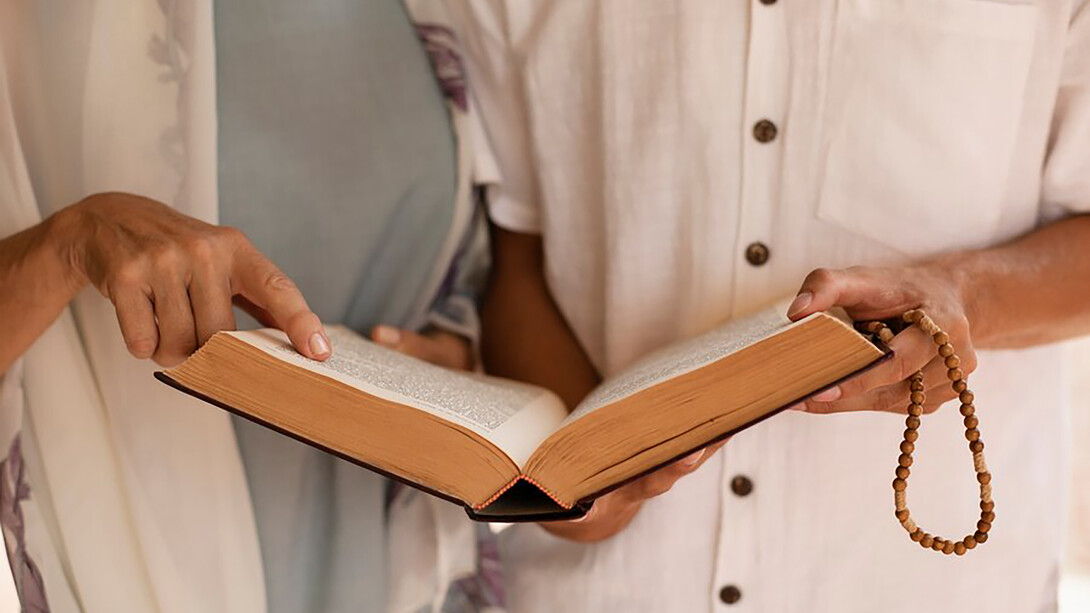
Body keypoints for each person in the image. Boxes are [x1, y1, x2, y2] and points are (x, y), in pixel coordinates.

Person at [435, 0, 1090, 611]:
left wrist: (967, 293)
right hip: (608, 588)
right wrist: (576, 487)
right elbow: (516, 252)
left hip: (923, 583)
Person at [0, 1, 492, 612]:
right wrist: (69, 244)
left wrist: (449, 361)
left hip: (407, 573)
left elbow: (466, 281)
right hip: (130, 571)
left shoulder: (448, 13)